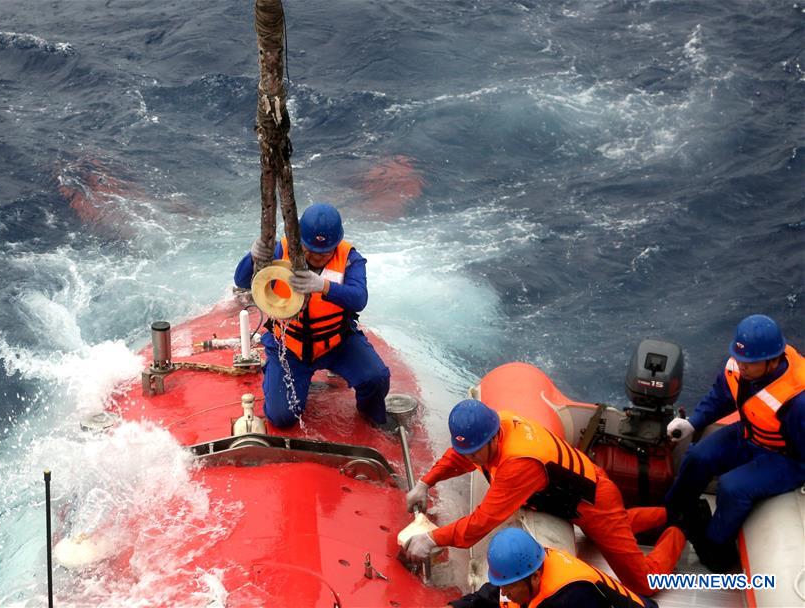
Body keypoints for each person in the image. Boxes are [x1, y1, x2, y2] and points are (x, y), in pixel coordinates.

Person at [403, 399, 684, 596]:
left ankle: (679, 529)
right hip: (574, 499)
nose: (472, 459)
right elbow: (460, 456)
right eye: (468, 452)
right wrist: (427, 482)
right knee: (607, 531)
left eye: (476, 452)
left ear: (493, 438)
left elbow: (480, 523)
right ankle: (668, 514)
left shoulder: (519, 463)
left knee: (644, 583)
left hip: (596, 504)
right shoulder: (493, 425)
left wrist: (433, 538)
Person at [664, 314, 805, 572]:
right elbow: (721, 396)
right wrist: (693, 422)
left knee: (732, 487)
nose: (742, 366)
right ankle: (673, 515)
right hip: (751, 433)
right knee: (697, 457)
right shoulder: (739, 368)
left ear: (773, 361)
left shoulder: (799, 399)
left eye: (749, 363)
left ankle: (716, 549)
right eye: (739, 358)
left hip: (787, 457)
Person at [234, 202, 391, 428]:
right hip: (289, 346)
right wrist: (252, 257)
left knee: (376, 377)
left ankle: (367, 412)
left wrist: (323, 286)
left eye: (323, 252)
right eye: (309, 249)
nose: (315, 257)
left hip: (336, 342)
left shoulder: (350, 258)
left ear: (335, 245)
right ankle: (278, 376)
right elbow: (242, 281)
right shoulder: (281, 249)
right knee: (281, 418)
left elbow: (359, 299)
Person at [450, 528, 658, 608]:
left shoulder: (571, 596)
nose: (504, 592)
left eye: (509, 587)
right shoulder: (523, 569)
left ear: (535, 577)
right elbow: (492, 594)